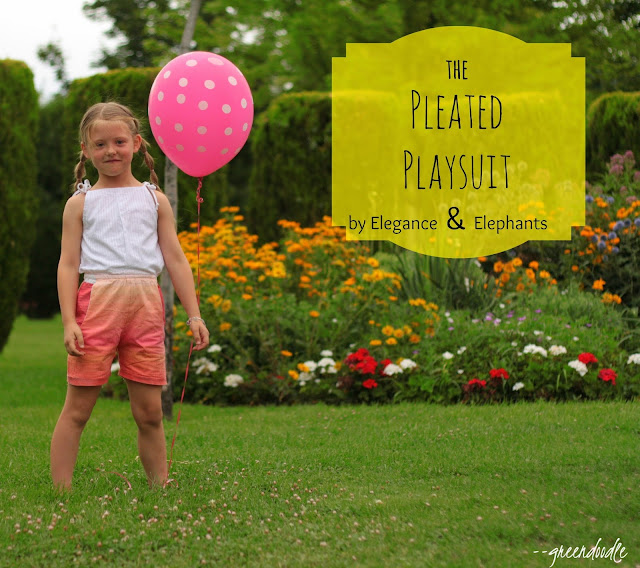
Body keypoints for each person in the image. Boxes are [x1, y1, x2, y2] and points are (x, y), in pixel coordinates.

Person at [50, 101, 209, 491]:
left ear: (136, 144)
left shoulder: (155, 200)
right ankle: (60, 491)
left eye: (119, 142)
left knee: (150, 413)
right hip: (97, 305)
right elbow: (68, 265)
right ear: (86, 150)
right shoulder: (80, 204)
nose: (111, 151)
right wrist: (69, 321)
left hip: (146, 306)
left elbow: (176, 259)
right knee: (77, 410)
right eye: (100, 144)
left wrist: (194, 314)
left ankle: (159, 487)